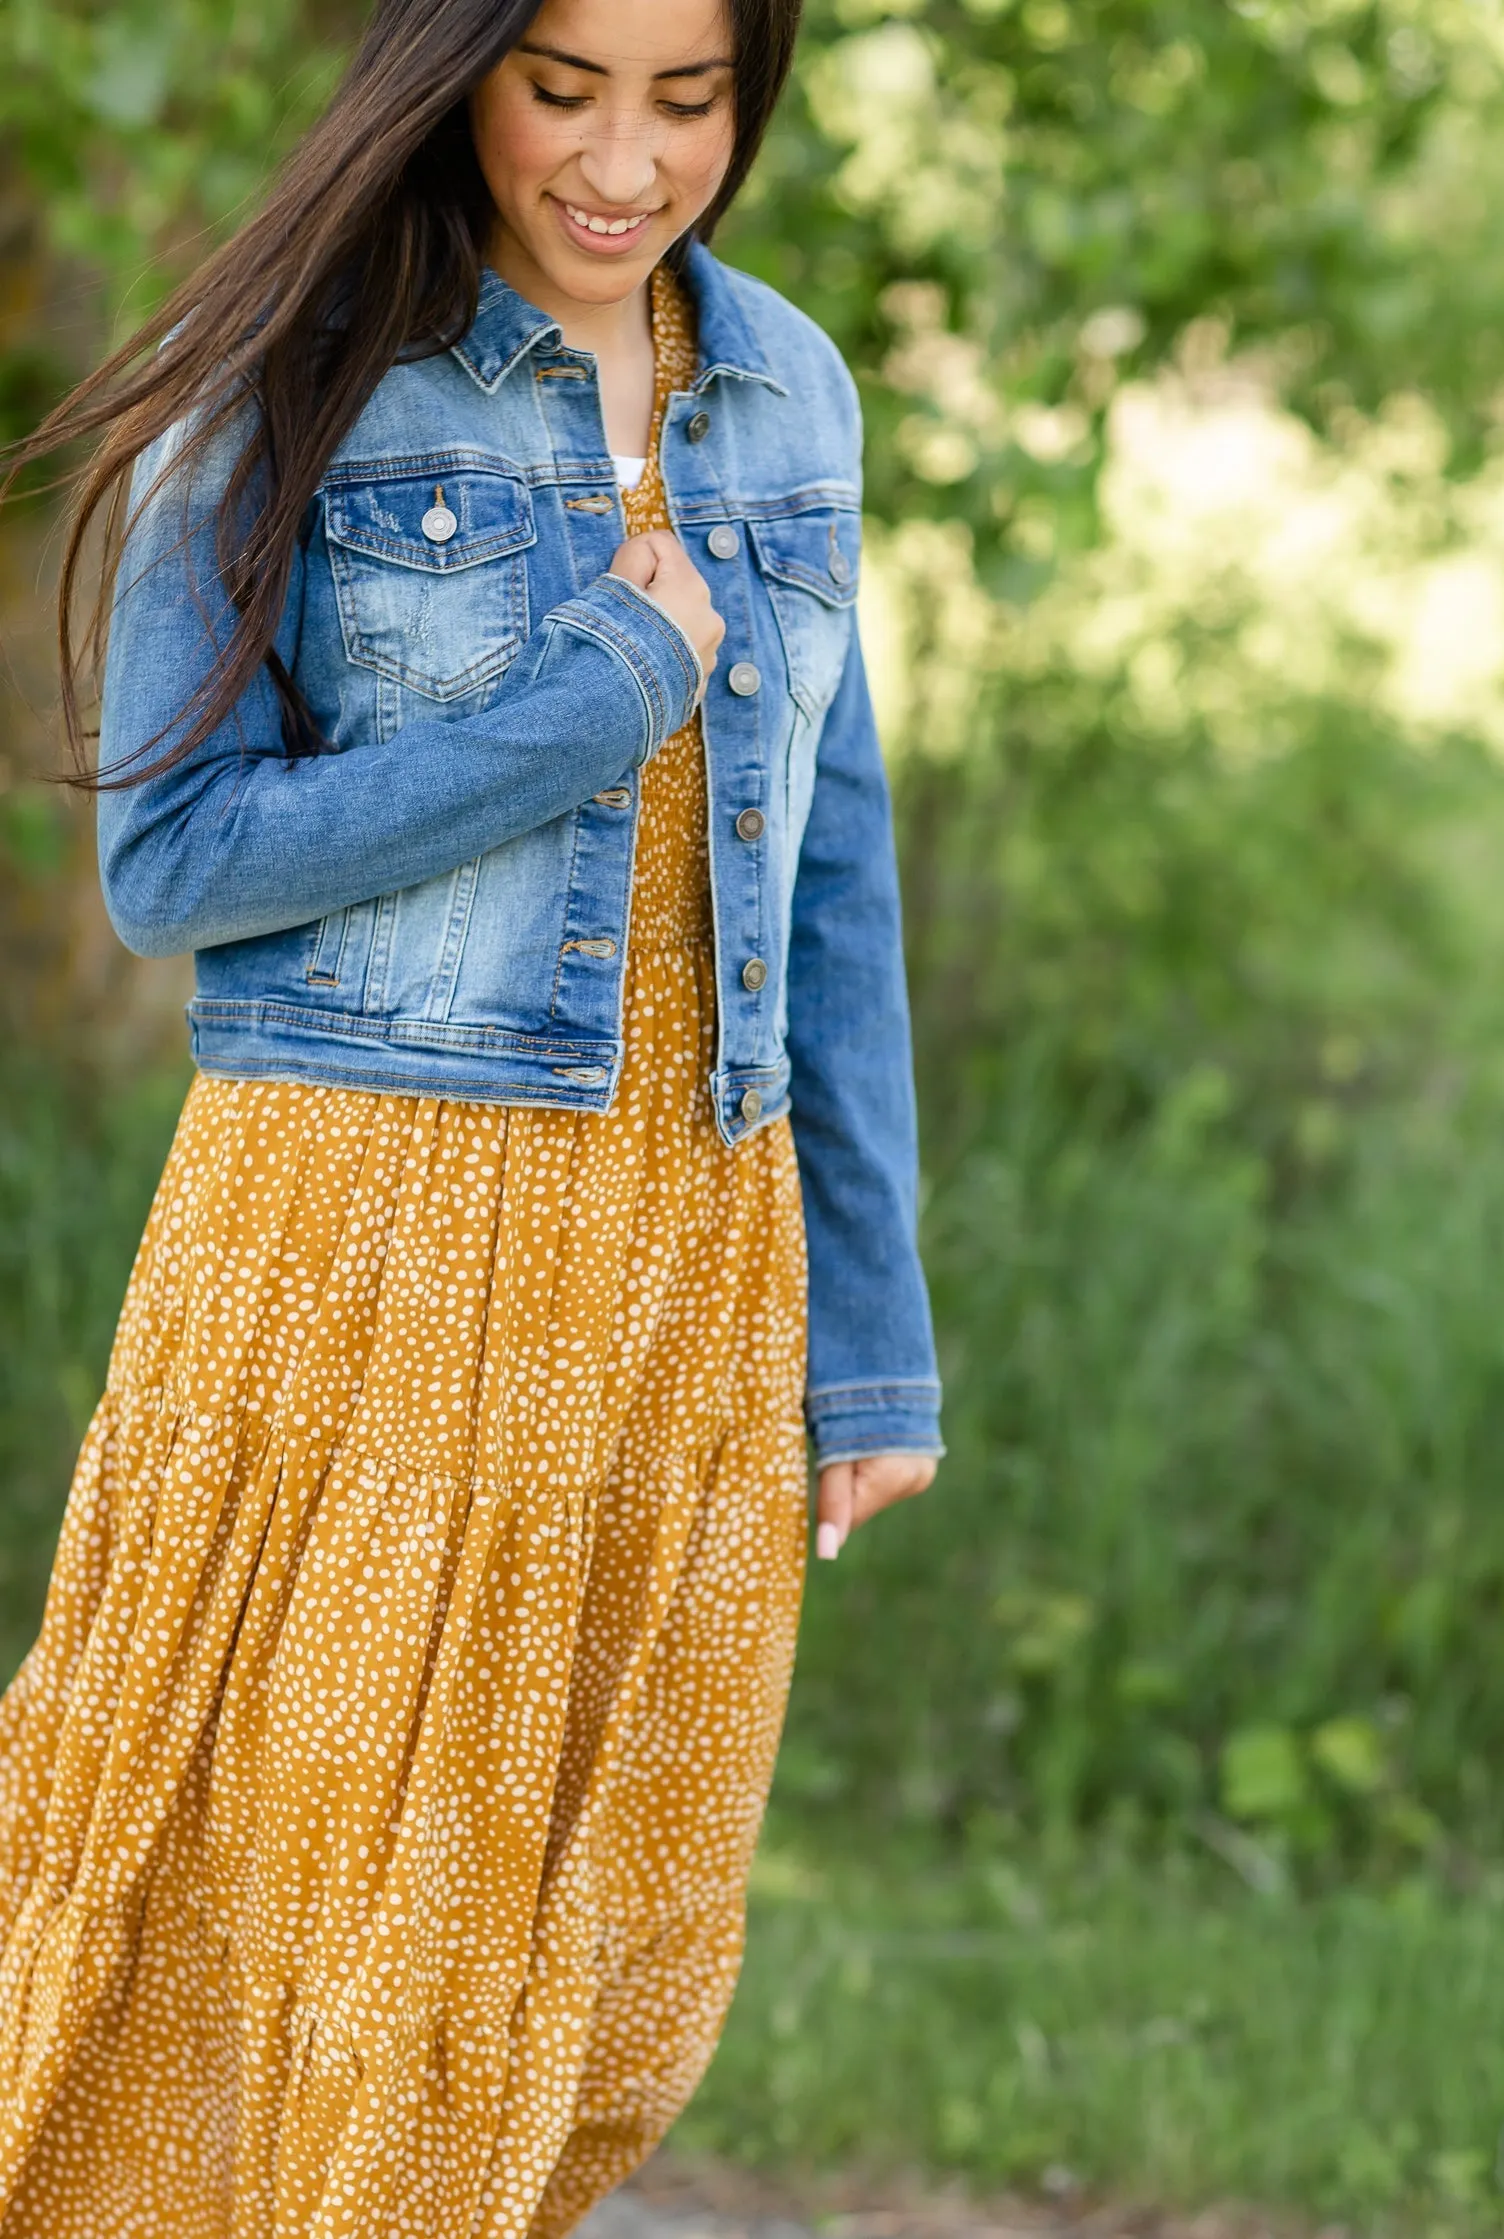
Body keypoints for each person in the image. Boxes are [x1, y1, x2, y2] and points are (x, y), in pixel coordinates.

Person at [0, 0, 941, 2227]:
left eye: (688, 100)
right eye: (565, 88)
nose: (625, 163)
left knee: (594, 1924)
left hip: (685, 1245)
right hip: (368, 1223)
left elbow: (830, 879)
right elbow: (174, 865)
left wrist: (874, 1326)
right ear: (454, 79)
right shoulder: (306, 380)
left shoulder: (790, 388)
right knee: (303, 1896)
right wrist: (586, 703)